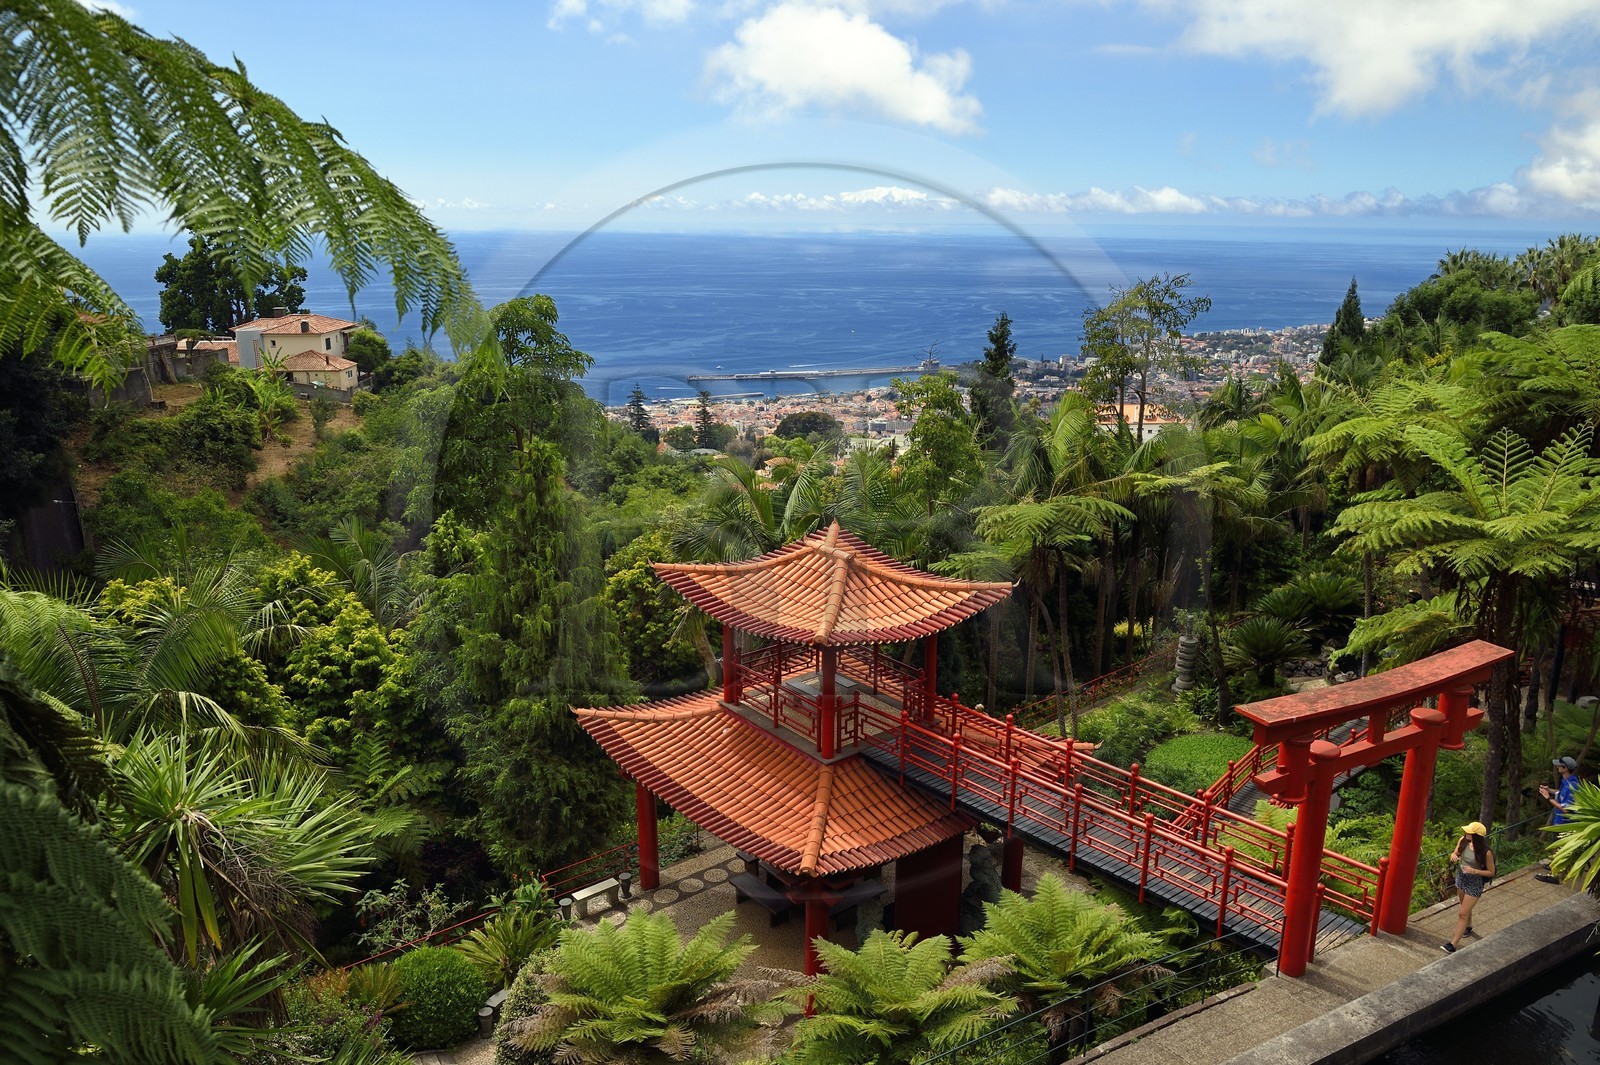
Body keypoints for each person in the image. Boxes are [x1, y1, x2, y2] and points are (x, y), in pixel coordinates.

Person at [1443, 821, 1495, 953]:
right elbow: (1455, 853)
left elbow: (1491, 872)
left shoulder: (1486, 852)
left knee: (1463, 913)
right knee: (1464, 905)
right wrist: (1454, 856)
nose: (1466, 833)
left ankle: (1453, 944)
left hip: (1475, 881)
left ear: (1476, 835)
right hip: (1461, 876)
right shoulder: (1463, 841)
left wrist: (1474, 871)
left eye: (1469, 832)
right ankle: (1469, 925)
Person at [1535, 756, 1579, 884]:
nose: (1557, 767)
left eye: (1559, 766)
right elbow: (1561, 793)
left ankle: (1555, 875)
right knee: (1557, 846)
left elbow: (1566, 809)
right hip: (1560, 821)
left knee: (1558, 846)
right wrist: (1550, 790)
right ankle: (1556, 865)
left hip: (1563, 823)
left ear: (1565, 768)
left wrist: (1548, 797)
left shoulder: (1572, 785)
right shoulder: (1569, 781)